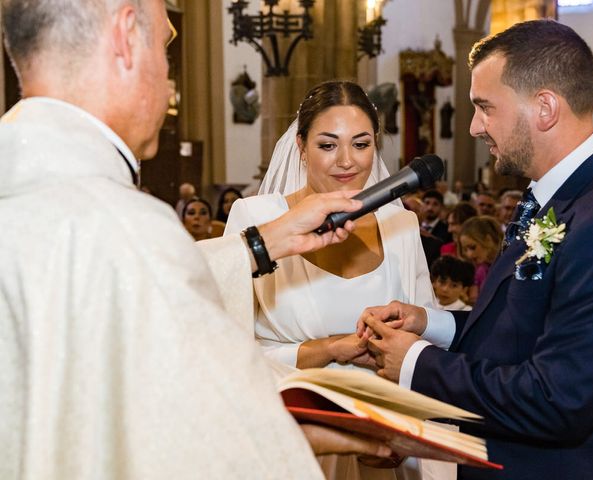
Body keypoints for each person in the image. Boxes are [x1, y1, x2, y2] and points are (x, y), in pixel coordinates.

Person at [0, 1, 393, 478]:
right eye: (167, 48)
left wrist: (258, 245)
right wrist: (304, 430)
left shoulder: (32, 180)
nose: (169, 80)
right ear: (126, 36)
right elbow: (203, 430)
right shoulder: (125, 226)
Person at [357, 19, 593, 479]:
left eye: (485, 107)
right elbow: (530, 327)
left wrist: (415, 362)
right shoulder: (558, 195)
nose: (472, 127)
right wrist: (436, 326)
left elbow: (559, 399)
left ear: (545, 107)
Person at [221, 80, 436, 480]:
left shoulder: (400, 224)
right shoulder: (258, 220)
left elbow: (425, 333)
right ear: (300, 146)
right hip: (294, 440)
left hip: (382, 438)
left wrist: (400, 424)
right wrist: (331, 349)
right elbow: (228, 351)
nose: (346, 161)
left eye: (361, 144)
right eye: (327, 144)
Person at [458, 216, 503, 302]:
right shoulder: (480, 270)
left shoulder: (508, 266)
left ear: (488, 240)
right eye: (465, 249)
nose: (469, 255)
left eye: (472, 247)